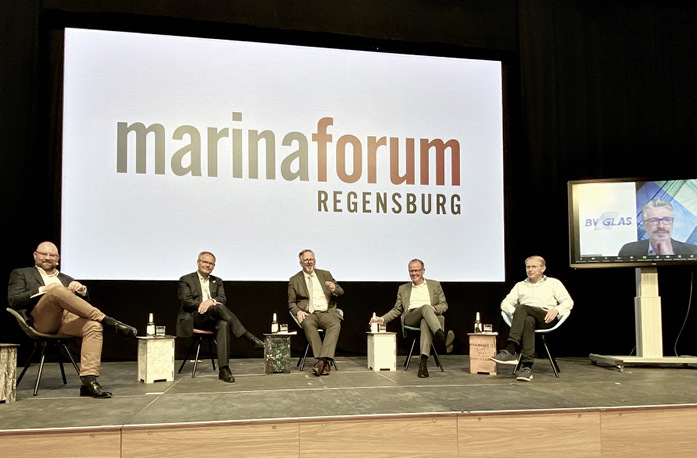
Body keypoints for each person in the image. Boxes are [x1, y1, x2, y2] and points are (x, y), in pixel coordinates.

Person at [7, 241, 137, 398]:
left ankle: (89, 381)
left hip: (65, 321)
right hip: (41, 320)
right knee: (56, 290)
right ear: (35, 256)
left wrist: (82, 291)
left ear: (58, 259)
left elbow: (83, 307)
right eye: (43, 254)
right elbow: (14, 300)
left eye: (52, 255)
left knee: (93, 326)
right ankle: (109, 320)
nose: (47, 258)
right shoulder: (22, 273)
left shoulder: (66, 278)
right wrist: (43, 289)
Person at [177, 251, 264, 383]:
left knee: (223, 323)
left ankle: (224, 369)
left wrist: (210, 301)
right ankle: (249, 337)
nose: (208, 265)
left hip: (212, 318)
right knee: (218, 307)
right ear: (198, 262)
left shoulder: (217, 281)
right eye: (205, 262)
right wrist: (204, 303)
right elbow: (186, 301)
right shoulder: (186, 279)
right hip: (195, 317)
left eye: (211, 263)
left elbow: (222, 298)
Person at [491, 255, 573, 382]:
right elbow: (505, 303)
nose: (530, 269)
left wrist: (556, 310)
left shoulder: (554, 283)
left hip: (546, 318)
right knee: (528, 320)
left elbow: (568, 302)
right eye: (528, 267)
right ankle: (527, 367)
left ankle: (511, 348)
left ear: (543, 268)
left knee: (522, 308)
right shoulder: (520, 285)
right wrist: (518, 313)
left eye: (534, 266)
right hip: (527, 320)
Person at [369, 259, 455, 378]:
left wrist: (434, 309)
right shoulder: (403, 289)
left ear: (423, 271)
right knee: (425, 308)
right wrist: (382, 319)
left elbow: (444, 305)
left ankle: (423, 365)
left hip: (431, 318)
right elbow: (397, 309)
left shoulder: (435, 285)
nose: (413, 274)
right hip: (411, 317)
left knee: (425, 321)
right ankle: (442, 337)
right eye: (411, 271)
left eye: (416, 270)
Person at [288, 249, 344, 376]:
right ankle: (324, 362)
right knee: (308, 324)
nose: (309, 262)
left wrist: (334, 288)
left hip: (326, 312)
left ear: (315, 261)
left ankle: (321, 361)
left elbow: (340, 291)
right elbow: (291, 303)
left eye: (311, 259)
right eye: (306, 260)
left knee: (335, 324)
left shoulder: (325, 274)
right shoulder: (294, 280)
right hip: (308, 314)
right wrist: (297, 311)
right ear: (301, 263)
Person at [618, 198, 697, 256]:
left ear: (672, 222)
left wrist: (670, 258)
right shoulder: (628, 250)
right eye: (654, 220)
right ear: (645, 225)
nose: (661, 226)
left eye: (666, 219)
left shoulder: (693, 252)